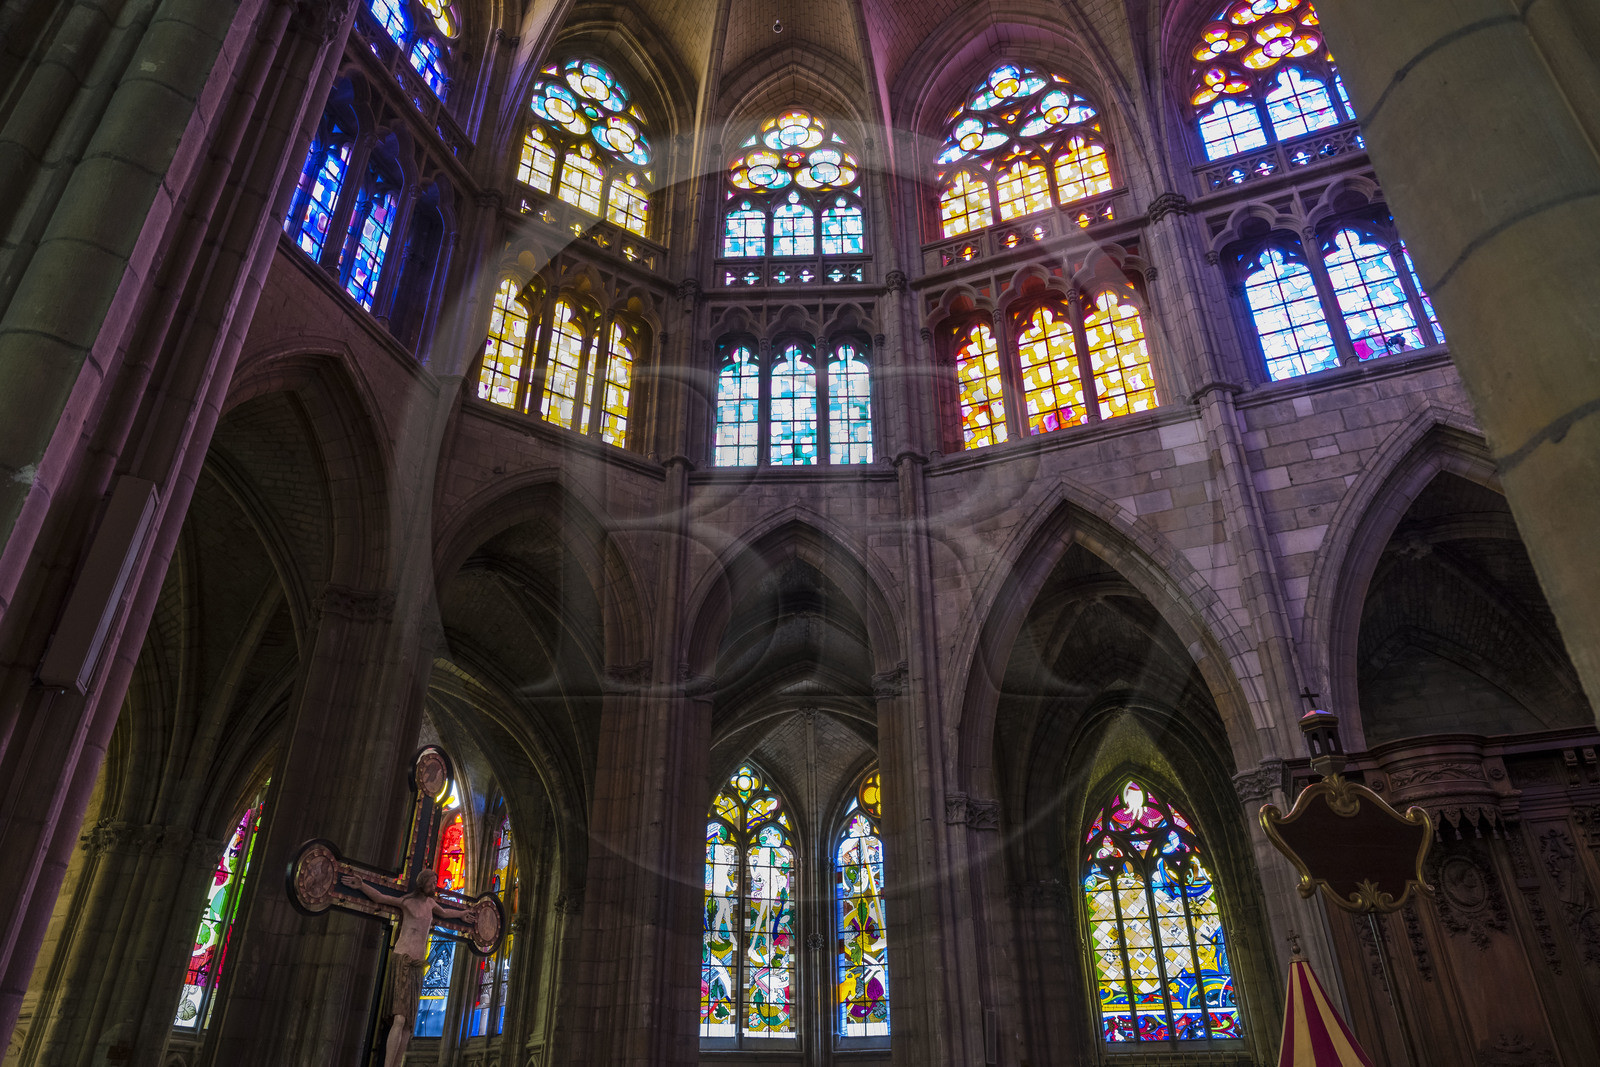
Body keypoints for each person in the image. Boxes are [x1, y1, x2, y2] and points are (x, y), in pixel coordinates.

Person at [343, 868, 474, 1067]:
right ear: (423, 883)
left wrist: (463, 913)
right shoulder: (407, 902)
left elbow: (446, 913)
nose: (435, 886)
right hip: (403, 961)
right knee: (399, 1018)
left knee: (408, 1025)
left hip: (417, 966)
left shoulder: (431, 904)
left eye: (435, 882)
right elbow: (380, 897)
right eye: (432, 882)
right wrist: (361, 885)